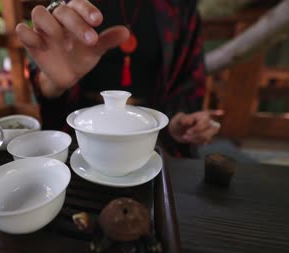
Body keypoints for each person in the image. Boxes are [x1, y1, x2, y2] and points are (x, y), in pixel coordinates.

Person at [15, 0, 220, 157]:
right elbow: (48, 81)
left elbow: (188, 78)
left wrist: (178, 123)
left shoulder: (179, 7)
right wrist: (53, 81)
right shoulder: (76, 4)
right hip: (81, 135)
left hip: (153, 135)